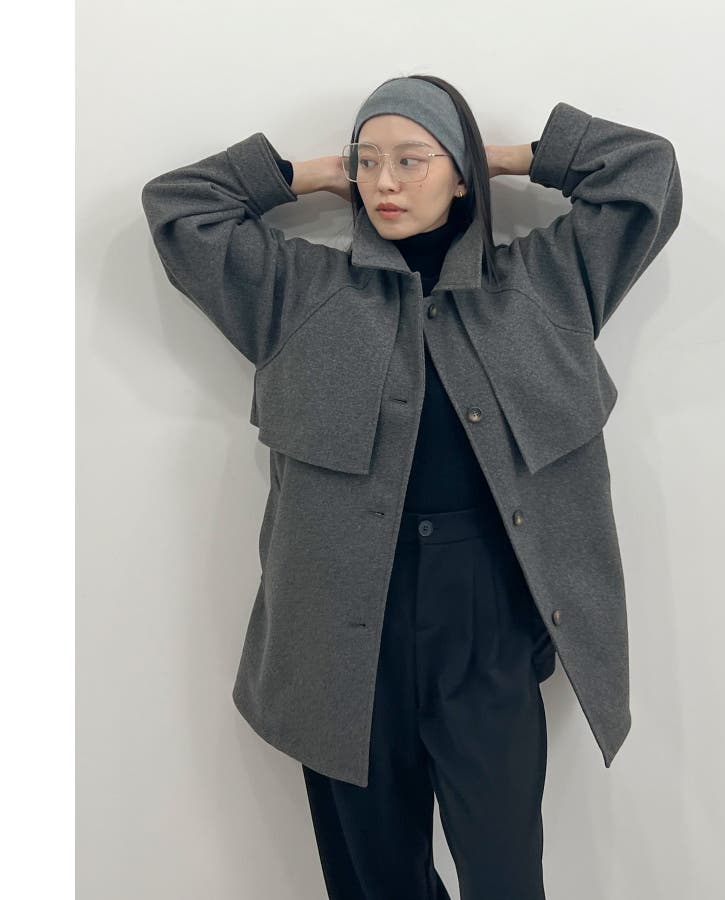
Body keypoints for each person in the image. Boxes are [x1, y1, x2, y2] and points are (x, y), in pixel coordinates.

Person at [141, 73, 683, 899]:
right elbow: (179, 208)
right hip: (339, 632)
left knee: (505, 875)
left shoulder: (548, 281)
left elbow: (647, 174)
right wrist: (309, 173)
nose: (384, 183)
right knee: (376, 880)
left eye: (411, 160)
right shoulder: (296, 291)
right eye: (367, 161)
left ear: (460, 173)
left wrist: (506, 158)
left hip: (488, 618)